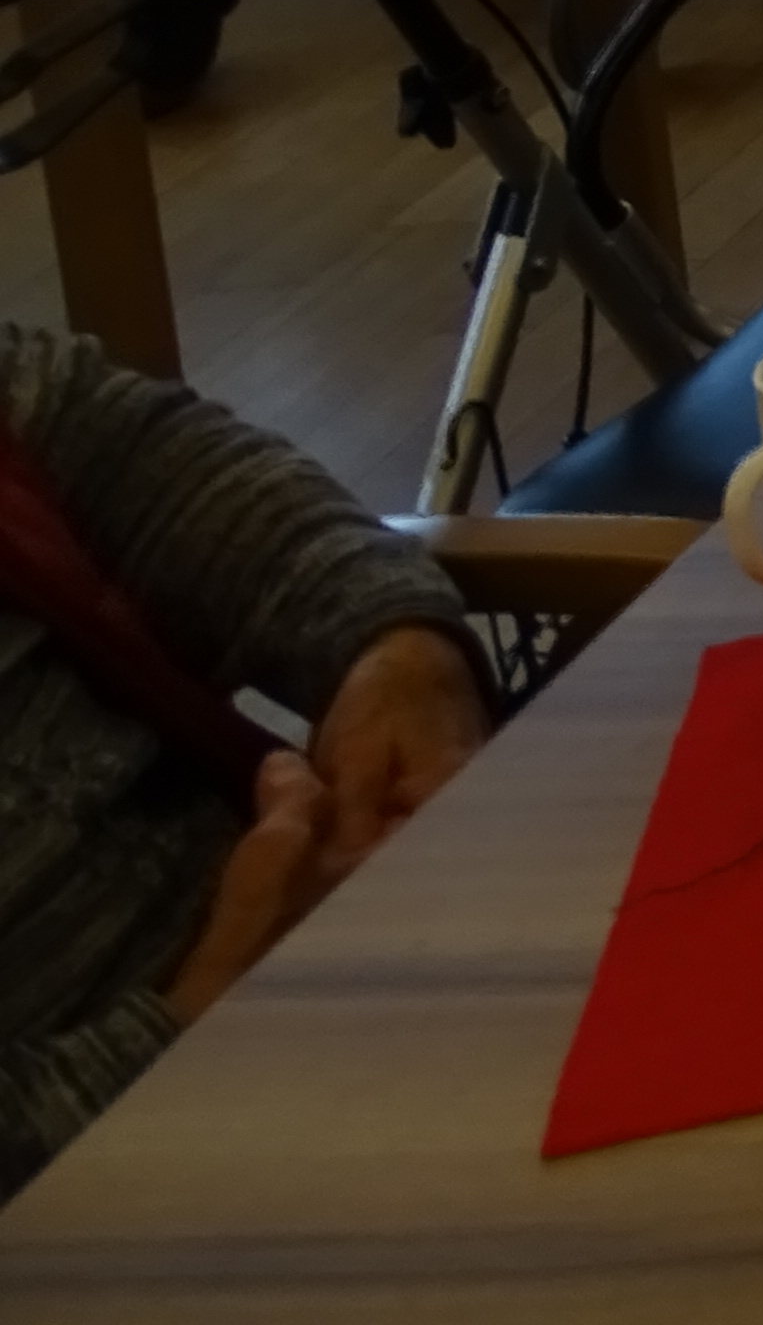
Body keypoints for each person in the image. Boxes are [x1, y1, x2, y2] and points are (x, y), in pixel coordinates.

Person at [1, 319, 489, 1198]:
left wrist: (397, 653)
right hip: (130, 1190)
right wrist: (200, 1014)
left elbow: (162, 468)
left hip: (360, 970)